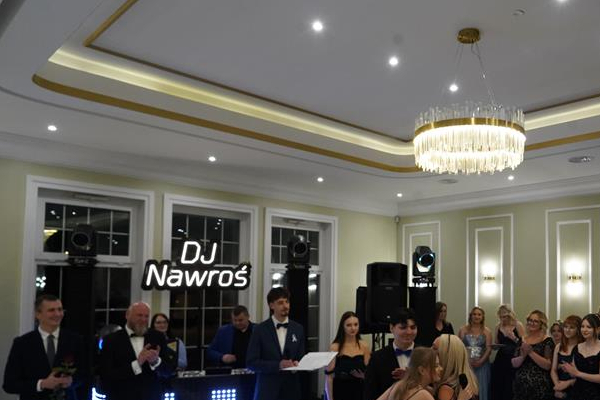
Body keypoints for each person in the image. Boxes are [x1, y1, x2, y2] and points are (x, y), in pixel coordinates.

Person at [3, 294, 84, 400]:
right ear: (38, 314)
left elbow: (85, 374)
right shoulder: (22, 344)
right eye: (51, 310)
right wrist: (41, 384)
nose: (57, 314)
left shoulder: (75, 340)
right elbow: (9, 384)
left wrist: (71, 381)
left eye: (60, 309)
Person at [100, 302, 174, 400]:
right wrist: (137, 364)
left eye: (146, 316)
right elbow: (106, 376)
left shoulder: (158, 337)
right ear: (127, 315)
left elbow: (169, 371)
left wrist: (156, 361)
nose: (143, 319)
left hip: (152, 396)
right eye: (139, 315)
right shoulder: (111, 340)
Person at [246, 287, 305, 400]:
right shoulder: (260, 329)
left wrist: (298, 364)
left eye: (287, 302)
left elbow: (300, 356)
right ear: (271, 305)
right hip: (267, 391)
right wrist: (278, 365)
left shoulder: (298, 328)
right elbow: (251, 362)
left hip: (292, 391)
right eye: (280, 303)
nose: (285, 306)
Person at [364, 308, 418, 400]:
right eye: (403, 327)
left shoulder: (426, 355)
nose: (409, 332)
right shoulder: (377, 358)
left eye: (413, 328)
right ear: (391, 328)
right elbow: (369, 394)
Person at [325, 311, 371, 400]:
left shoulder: (364, 346)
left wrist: (364, 376)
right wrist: (330, 398)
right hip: (340, 390)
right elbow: (329, 376)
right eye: (349, 325)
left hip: (359, 390)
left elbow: (370, 374)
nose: (353, 328)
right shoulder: (335, 347)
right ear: (343, 327)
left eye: (356, 324)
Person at [511, 309, 554, 400]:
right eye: (530, 320)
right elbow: (514, 363)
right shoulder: (522, 339)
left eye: (535, 321)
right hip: (520, 385)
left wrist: (531, 352)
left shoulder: (547, 340)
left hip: (539, 386)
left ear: (541, 324)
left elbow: (547, 365)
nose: (532, 323)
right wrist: (523, 356)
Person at [375, 347, 443, 400]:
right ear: (421, 370)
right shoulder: (424, 395)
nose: (441, 368)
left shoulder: (399, 385)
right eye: (436, 366)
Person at [561, 313, 600, 400]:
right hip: (578, 392)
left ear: (597, 329)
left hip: (596, 393)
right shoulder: (577, 348)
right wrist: (569, 369)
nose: (584, 330)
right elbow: (574, 375)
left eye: (589, 327)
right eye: (582, 326)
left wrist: (578, 373)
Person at [490, 304, 525, 400]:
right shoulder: (498, 326)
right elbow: (497, 342)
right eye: (501, 317)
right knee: (498, 384)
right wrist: (495, 346)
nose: (503, 319)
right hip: (501, 358)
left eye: (505, 316)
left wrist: (513, 338)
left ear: (510, 315)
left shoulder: (518, 325)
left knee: (510, 385)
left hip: (514, 358)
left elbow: (524, 344)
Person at [432, 333, 479, 400]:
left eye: (434, 348)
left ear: (446, 356)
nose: (429, 350)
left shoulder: (446, 389)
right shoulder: (469, 381)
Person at [458, 306, 491, 400]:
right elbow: (459, 347)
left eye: (479, 314)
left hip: (482, 365)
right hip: (467, 364)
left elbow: (489, 349)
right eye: (474, 314)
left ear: (482, 317)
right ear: (471, 316)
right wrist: (467, 361)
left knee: (482, 389)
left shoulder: (487, 331)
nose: (477, 316)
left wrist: (480, 362)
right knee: (468, 389)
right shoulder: (463, 330)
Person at [550, 315, 582, 399]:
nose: (567, 330)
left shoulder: (582, 347)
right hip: (559, 387)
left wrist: (569, 383)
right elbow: (553, 370)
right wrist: (558, 386)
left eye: (571, 327)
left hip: (577, 388)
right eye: (565, 327)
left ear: (578, 330)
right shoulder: (559, 346)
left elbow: (586, 373)